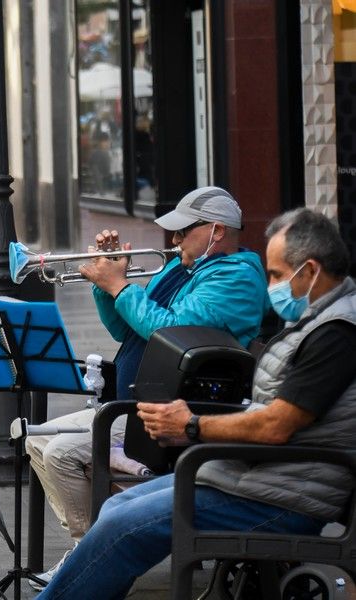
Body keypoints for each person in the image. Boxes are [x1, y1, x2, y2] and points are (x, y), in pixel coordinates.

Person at [35, 208, 356, 600]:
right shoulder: (318, 320)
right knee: (115, 513)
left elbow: (276, 425)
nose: (269, 286)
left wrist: (191, 426)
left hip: (281, 497)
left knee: (122, 528)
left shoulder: (336, 333)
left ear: (309, 271)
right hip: (254, 478)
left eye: (275, 275)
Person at [26, 187, 268, 590]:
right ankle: (95, 552)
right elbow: (123, 326)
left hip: (178, 411)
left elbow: (170, 331)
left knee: (63, 454)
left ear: (216, 231)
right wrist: (105, 280)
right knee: (34, 441)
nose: (173, 242)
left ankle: (94, 559)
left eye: (182, 232)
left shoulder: (236, 277)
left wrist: (120, 285)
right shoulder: (182, 269)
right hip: (134, 404)